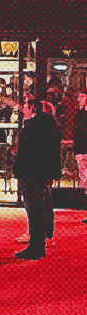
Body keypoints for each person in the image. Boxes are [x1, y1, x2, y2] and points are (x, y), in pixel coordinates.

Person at [11, 98, 61, 259]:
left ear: (32, 109)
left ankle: (36, 246)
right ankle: (39, 242)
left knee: (34, 209)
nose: (22, 110)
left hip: (32, 172)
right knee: (40, 207)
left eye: (25, 107)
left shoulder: (32, 128)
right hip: (42, 171)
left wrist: (17, 164)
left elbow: (27, 152)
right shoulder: (48, 126)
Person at [75, 92, 87, 224]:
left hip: (83, 151)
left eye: (82, 96)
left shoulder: (81, 114)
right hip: (82, 151)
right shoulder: (79, 113)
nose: (79, 99)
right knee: (85, 182)